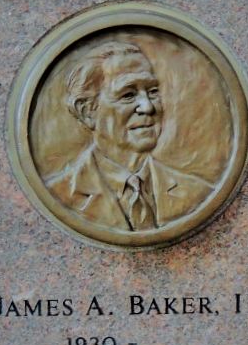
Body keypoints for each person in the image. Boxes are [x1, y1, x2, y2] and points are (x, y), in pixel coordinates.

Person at [44, 40, 213, 231]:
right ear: (87, 111)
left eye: (153, 91)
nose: (148, 107)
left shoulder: (197, 193)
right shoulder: (59, 195)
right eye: (128, 95)